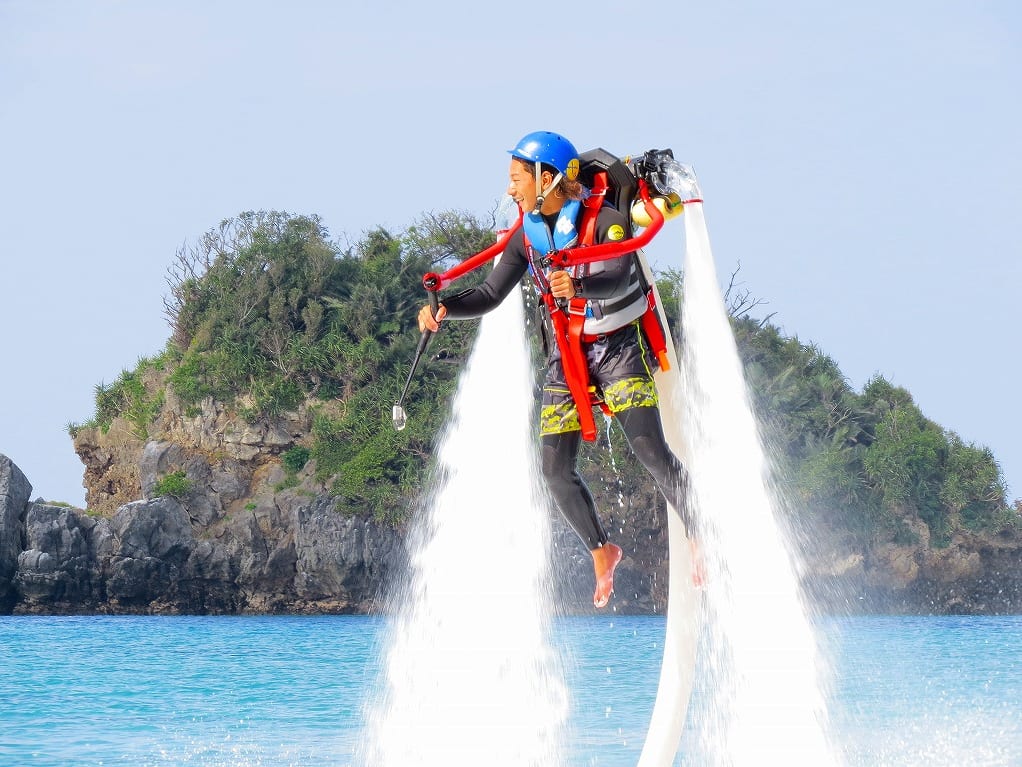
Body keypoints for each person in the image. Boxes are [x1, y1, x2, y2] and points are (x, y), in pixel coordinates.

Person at [418, 130, 699, 608]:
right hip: (565, 355)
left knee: (650, 450)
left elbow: (617, 273)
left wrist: (577, 286)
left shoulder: (604, 218)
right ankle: (602, 550)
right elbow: (489, 294)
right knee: (554, 470)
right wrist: (444, 306)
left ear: (547, 178)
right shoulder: (527, 233)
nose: (510, 189)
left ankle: (700, 535)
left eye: (516, 179)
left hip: (616, 348)